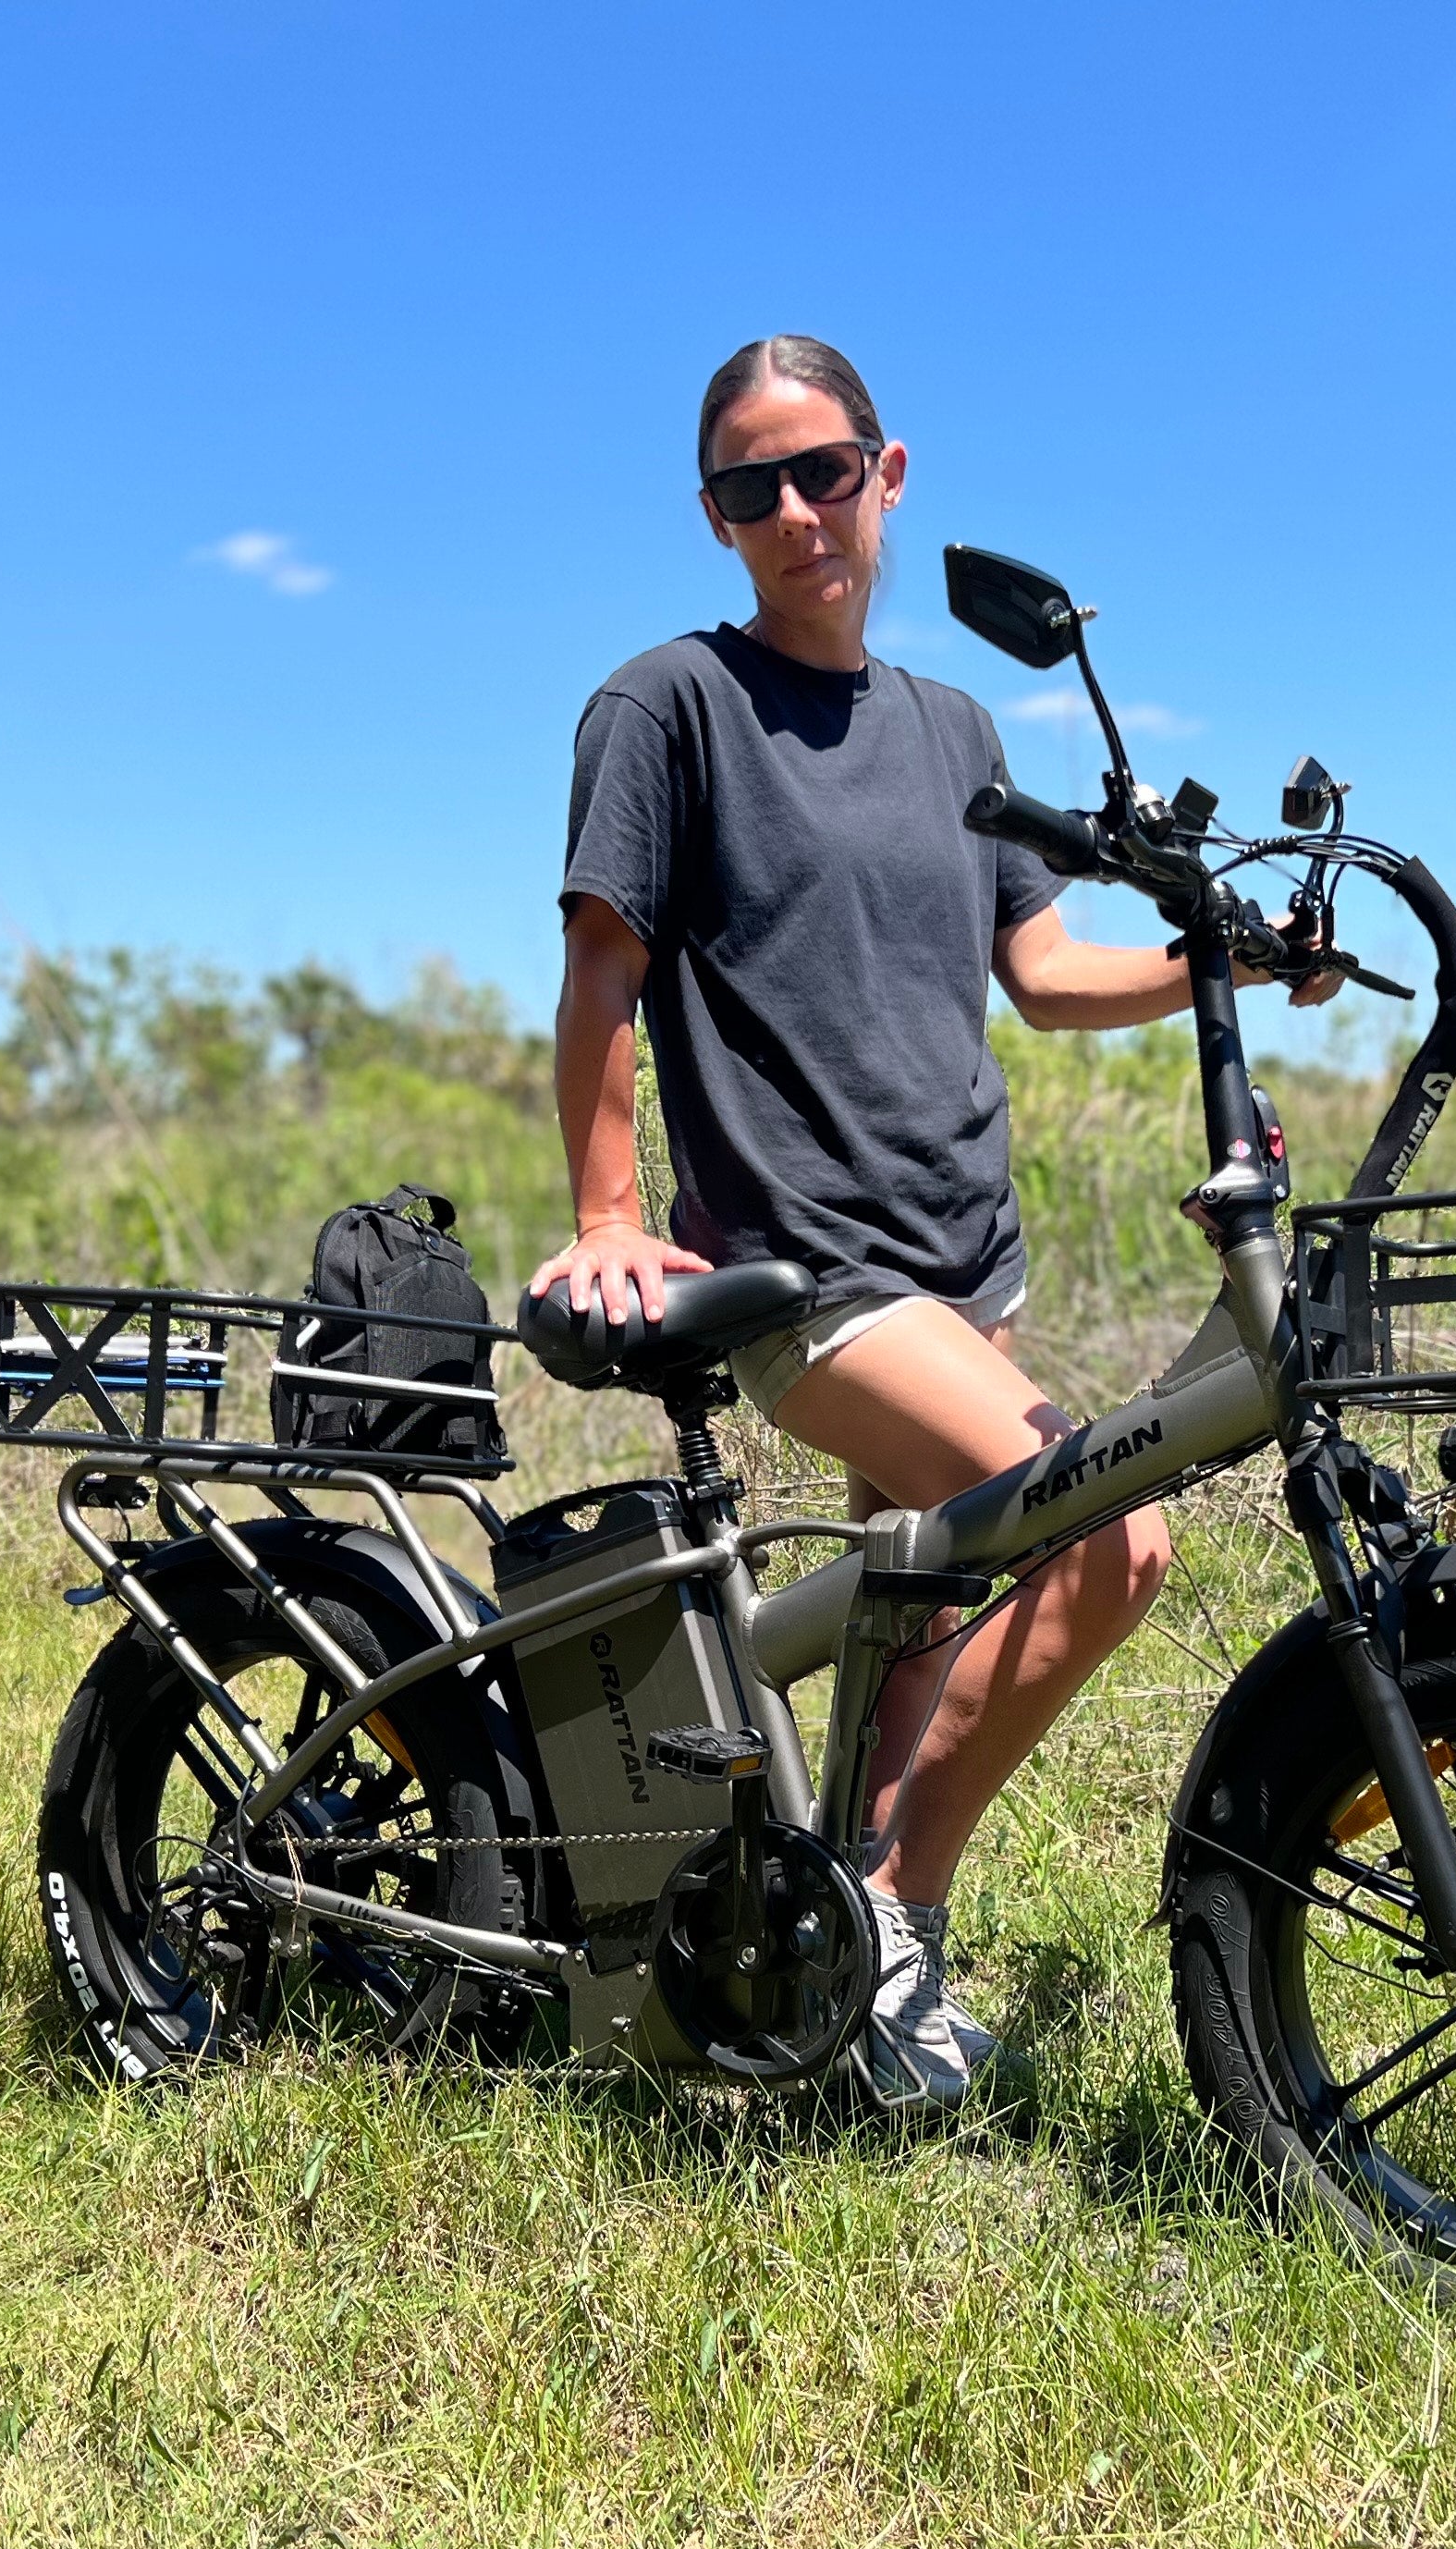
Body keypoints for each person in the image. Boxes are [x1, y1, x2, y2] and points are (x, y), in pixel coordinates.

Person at [530, 334, 1337, 2110]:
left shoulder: (956, 731)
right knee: (1113, 1542)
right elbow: (601, 975)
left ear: (888, 476)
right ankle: (896, 1909)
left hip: (964, 1255)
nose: (796, 512)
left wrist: (1224, 953)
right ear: (714, 516)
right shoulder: (667, 706)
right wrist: (605, 1210)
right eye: (752, 487)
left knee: (911, 1621)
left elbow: (1042, 974)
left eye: (825, 472)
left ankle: (823, 1984)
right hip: (805, 1271)